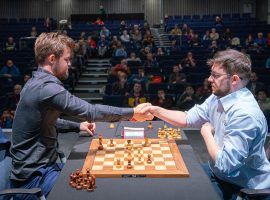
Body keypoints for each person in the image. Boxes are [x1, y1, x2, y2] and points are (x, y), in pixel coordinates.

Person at [10, 32, 153, 200]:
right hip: (33, 179)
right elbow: (92, 112)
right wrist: (133, 112)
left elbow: (45, 122)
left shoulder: (34, 82)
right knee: (95, 191)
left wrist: (78, 126)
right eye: (67, 59)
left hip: (41, 168)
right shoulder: (47, 89)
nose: (70, 64)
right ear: (52, 59)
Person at [140, 49, 270, 200]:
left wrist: (206, 133)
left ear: (234, 80)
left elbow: (225, 164)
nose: (209, 79)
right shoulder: (219, 97)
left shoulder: (245, 114)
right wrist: (155, 110)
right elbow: (187, 118)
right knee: (171, 182)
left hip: (241, 186)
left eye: (215, 75)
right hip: (219, 174)